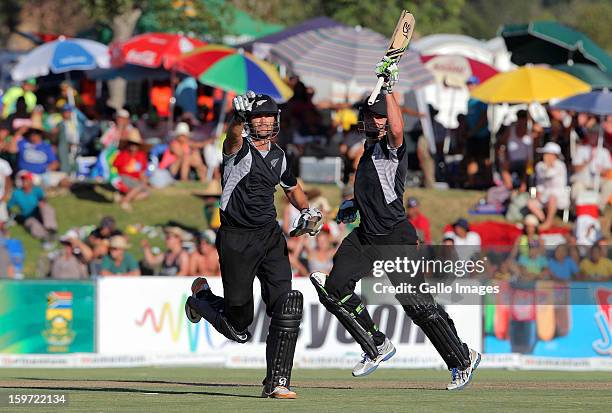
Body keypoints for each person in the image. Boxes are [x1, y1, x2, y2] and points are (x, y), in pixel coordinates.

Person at [311, 57, 480, 391]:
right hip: (365, 237)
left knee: (418, 306)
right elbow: (373, 191)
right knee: (333, 289)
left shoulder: (392, 148)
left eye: (376, 116)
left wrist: (388, 88)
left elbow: (400, 129)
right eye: (368, 115)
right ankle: (375, 344)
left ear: (386, 121)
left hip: (395, 237)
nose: (370, 121)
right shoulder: (368, 150)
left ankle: (462, 358)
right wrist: (351, 205)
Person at [184, 91, 322, 399]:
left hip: (270, 237)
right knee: (239, 326)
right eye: (256, 116)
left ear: (276, 120)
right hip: (236, 239)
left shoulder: (279, 155)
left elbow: (292, 187)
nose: (263, 121)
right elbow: (232, 137)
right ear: (249, 120)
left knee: (287, 303)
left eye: (267, 116)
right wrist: (237, 118)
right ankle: (200, 299)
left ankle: (278, 382)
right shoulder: (237, 149)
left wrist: (307, 210)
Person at [528, 142, 570, 230]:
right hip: (544, 194)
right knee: (531, 203)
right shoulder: (539, 166)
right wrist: (538, 192)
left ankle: (548, 222)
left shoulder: (560, 166)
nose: (546, 156)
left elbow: (549, 175)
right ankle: (544, 220)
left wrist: (548, 165)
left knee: (552, 198)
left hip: (558, 195)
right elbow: (539, 182)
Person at [8, 171, 57, 245]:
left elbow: (43, 199)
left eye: (26, 179)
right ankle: (46, 236)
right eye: (23, 180)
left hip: (39, 212)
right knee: (32, 224)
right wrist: (14, 216)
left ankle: (51, 229)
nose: (24, 181)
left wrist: (42, 203)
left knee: (46, 208)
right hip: (28, 216)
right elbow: (9, 206)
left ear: (31, 181)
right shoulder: (17, 193)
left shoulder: (37, 190)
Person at [112, 129, 150, 211]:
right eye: (131, 144)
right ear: (127, 144)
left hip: (135, 180)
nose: (133, 146)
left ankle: (122, 198)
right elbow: (114, 170)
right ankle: (125, 202)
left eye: (135, 144)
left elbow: (142, 172)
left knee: (145, 193)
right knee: (138, 186)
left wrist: (144, 182)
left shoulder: (141, 156)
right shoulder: (122, 155)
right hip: (123, 178)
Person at [0, 156, 12, 234]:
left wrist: (7, 193)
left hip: (1, 195)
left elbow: (8, 180)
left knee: (2, 218)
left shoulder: (3, 163)